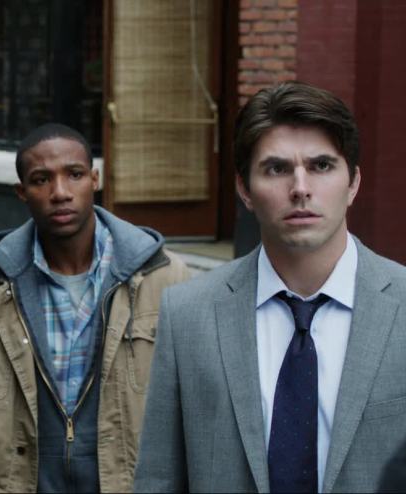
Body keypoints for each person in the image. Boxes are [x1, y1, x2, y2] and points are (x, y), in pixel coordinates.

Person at [134, 81, 406, 493]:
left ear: (353, 183)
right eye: (277, 169)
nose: (300, 188)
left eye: (321, 166)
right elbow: (159, 478)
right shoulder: (187, 313)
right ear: (245, 189)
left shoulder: (400, 305)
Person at [0, 123, 190, 492]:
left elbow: (193, 400)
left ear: (94, 179)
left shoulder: (163, 277)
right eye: (41, 179)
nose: (60, 193)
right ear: (22, 192)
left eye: (74, 174)